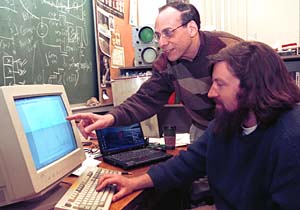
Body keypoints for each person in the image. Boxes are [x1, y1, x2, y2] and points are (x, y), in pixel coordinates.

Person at [94, 41, 300, 210]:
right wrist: (134, 182)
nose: (211, 93)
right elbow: (189, 162)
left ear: (252, 87)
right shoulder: (228, 120)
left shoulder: (291, 136)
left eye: (220, 84)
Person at [67, 2, 242, 142]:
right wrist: (109, 118)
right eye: (159, 35)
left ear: (192, 29)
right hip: (202, 129)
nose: (162, 43)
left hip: (239, 129)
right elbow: (145, 99)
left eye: (168, 33)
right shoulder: (166, 62)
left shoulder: (230, 48)